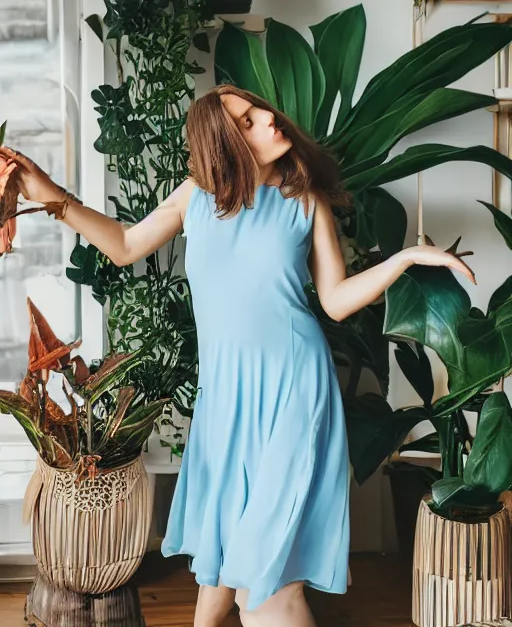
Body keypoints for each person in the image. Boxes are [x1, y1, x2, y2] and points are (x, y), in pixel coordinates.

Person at [0, 84, 475, 627]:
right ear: (226, 144)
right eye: (247, 122)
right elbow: (126, 246)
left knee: (264, 589)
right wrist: (49, 194)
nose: (269, 119)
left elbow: (336, 302)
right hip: (227, 400)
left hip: (295, 393)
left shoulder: (304, 203)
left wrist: (407, 257)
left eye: (258, 110)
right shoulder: (196, 198)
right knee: (225, 542)